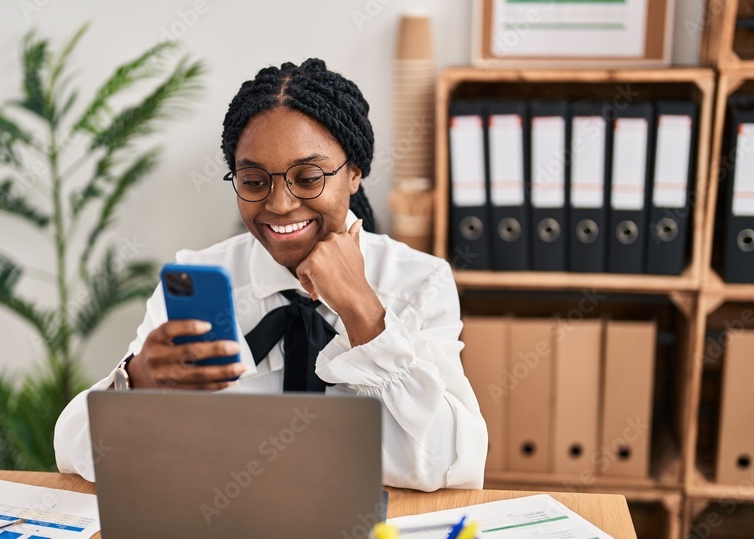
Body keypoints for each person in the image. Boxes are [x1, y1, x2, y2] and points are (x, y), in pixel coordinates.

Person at [54, 58, 487, 491]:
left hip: (363, 532)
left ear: (354, 173)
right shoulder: (199, 278)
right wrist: (140, 380)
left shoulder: (418, 283)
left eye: (308, 177)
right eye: (255, 181)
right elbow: (73, 454)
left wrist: (364, 313)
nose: (280, 204)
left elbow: (453, 465)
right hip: (225, 525)